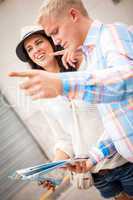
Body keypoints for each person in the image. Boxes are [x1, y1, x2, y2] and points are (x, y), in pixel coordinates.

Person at [11, 23, 133, 200]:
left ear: (52, 42)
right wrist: (54, 169)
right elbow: (64, 139)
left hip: (123, 161)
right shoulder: (43, 97)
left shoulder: (84, 72)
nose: (35, 50)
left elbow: (115, 115)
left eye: (39, 42)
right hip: (98, 174)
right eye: (30, 49)